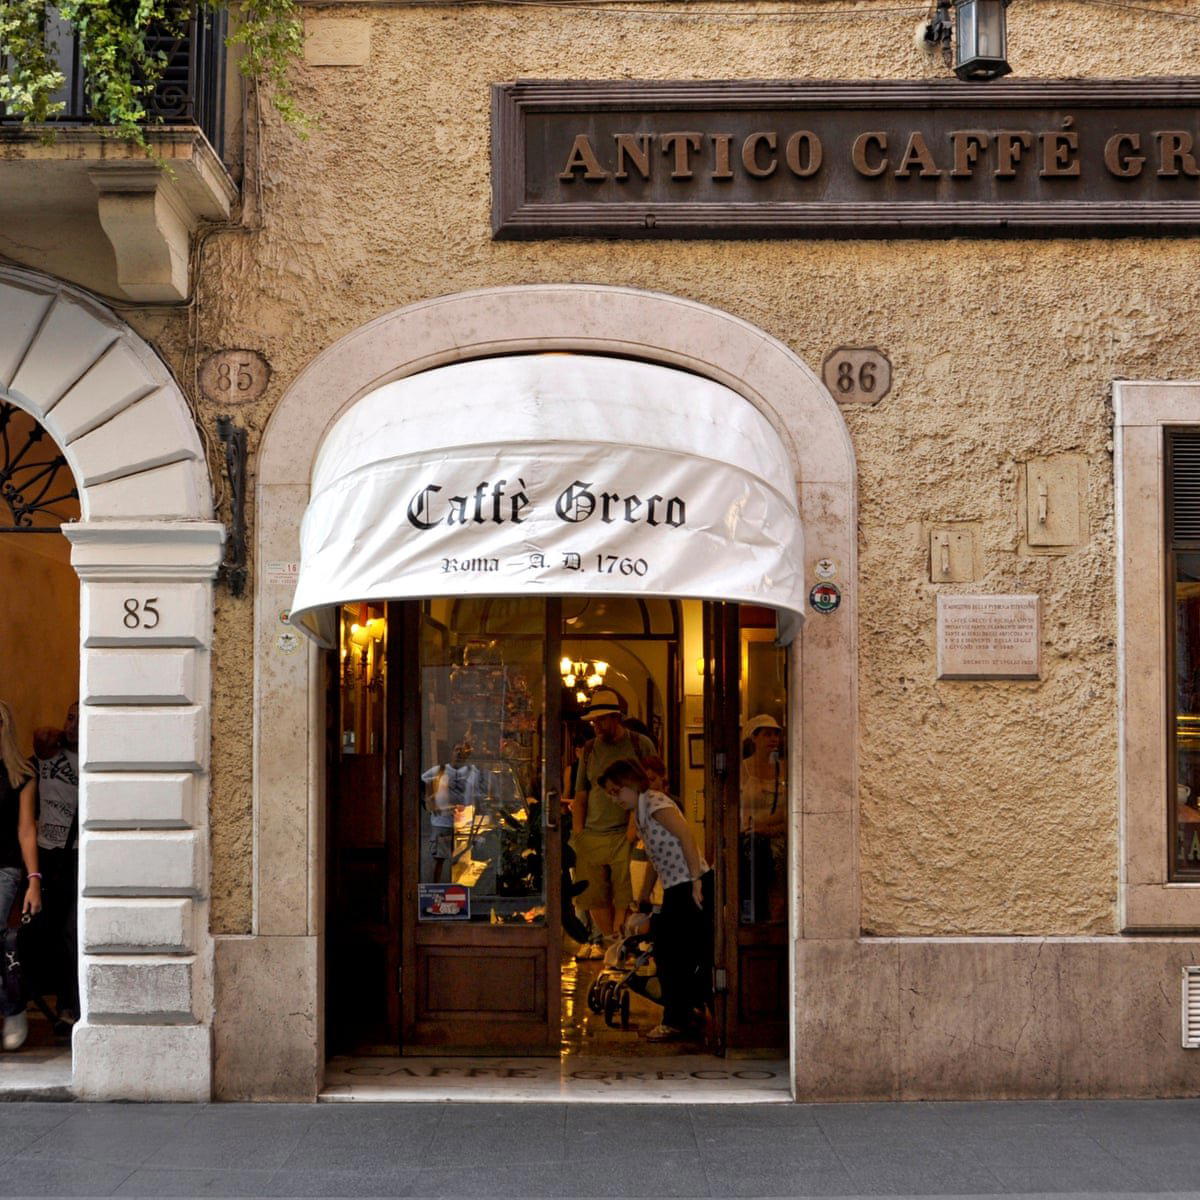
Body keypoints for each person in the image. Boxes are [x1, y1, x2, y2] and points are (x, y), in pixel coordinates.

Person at [600, 757, 712, 1042]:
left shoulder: (654, 803)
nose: (614, 799)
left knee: (673, 954)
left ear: (631, 784)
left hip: (688, 883)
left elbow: (686, 836)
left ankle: (677, 1018)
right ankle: (686, 1010)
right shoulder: (639, 812)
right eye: (610, 794)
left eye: (616, 791)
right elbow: (653, 855)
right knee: (673, 952)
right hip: (677, 885)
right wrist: (643, 895)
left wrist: (697, 881)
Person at [571, 689, 655, 956]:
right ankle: (611, 945)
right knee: (594, 895)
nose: (596, 725)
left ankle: (620, 947)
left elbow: (649, 786)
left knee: (624, 895)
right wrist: (579, 832)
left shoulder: (639, 744)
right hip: (593, 832)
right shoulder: (590, 749)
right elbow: (581, 793)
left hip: (625, 831)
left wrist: (634, 827)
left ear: (616, 717)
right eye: (594, 721)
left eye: (601, 720)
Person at [33, 702, 79, 1032]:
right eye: (71, 717)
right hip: (43, 854)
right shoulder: (49, 753)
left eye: (81, 718)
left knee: (70, 932)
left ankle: (68, 1005)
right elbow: (39, 739)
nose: (74, 724)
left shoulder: (89, 762)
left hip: (73, 855)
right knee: (41, 932)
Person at [0, 701, 42, 1051]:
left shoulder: (21, 774)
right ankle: (11, 1005)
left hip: (4, 869)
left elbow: (26, 830)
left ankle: (13, 1010)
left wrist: (33, 880)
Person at [739, 713, 787, 923]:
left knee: (779, 891)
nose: (773, 739)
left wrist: (766, 828)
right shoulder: (743, 769)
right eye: (767, 734)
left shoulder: (784, 769)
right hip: (749, 841)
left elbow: (789, 811)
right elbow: (734, 808)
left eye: (776, 734)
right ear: (754, 738)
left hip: (781, 839)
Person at [420, 735, 481, 883]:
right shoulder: (440, 770)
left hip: (464, 826)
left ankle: (456, 893)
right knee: (439, 860)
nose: (459, 753)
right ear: (452, 752)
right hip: (442, 824)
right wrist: (430, 801)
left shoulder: (473, 772)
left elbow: (477, 795)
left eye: (463, 751)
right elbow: (422, 781)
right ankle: (437, 892)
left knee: (461, 863)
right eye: (457, 750)